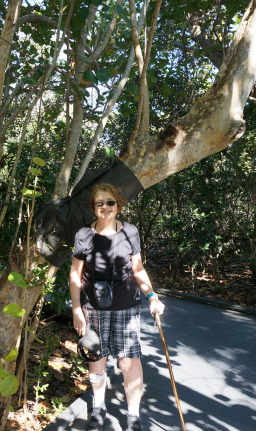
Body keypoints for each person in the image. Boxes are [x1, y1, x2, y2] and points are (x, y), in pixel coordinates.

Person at [69, 183, 165, 431]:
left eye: (110, 202)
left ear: (118, 205)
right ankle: (98, 408)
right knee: (96, 357)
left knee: (128, 361)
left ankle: (133, 415)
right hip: (93, 308)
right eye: (99, 203)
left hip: (126, 307)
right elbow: (75, 274)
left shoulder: (130, 232)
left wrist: (152, 295)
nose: (105, 207)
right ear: (93, 207)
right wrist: (77, 309)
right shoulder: (84, 235)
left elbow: (138, 269)